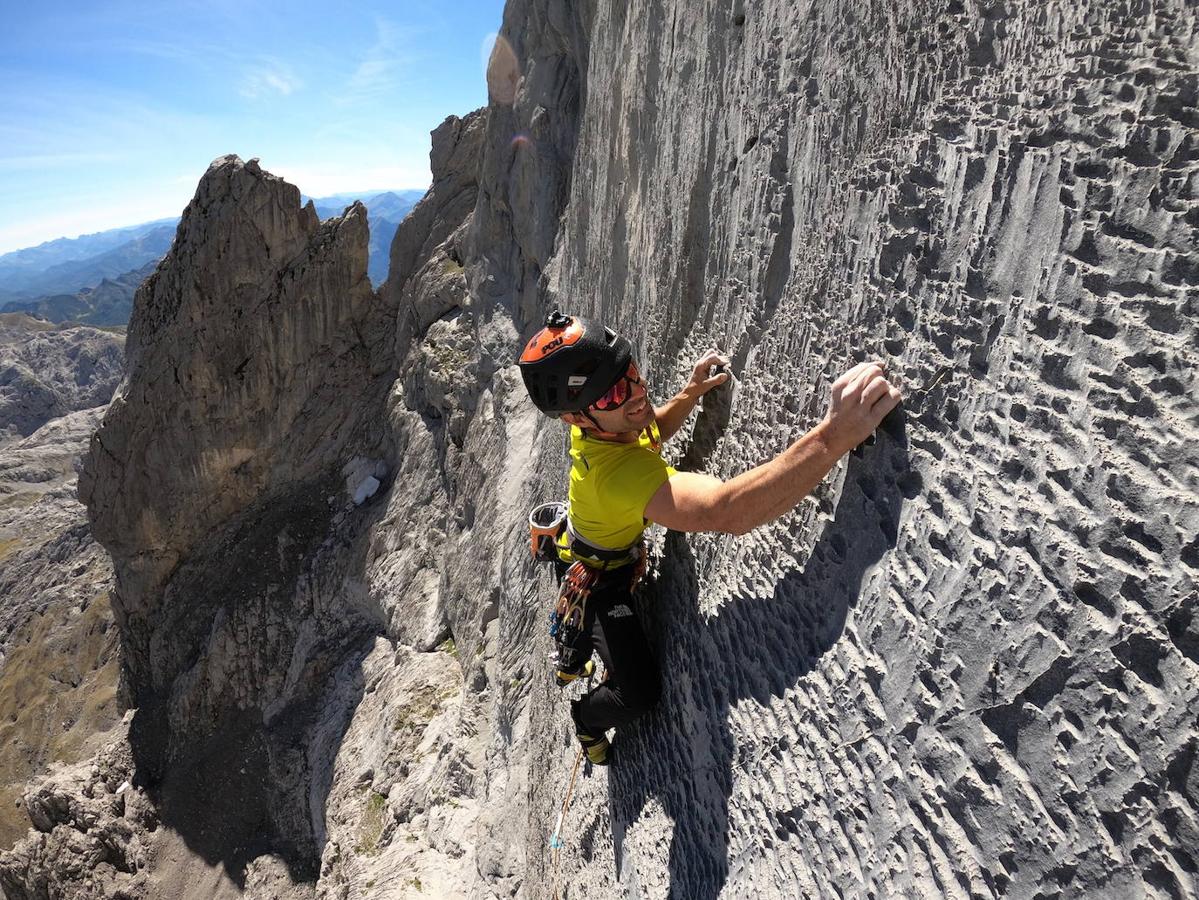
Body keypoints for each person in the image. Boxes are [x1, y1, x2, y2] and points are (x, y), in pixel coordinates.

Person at [518, 309, 901, 765]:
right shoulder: (616, 476)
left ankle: (582, 661)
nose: (636, 394)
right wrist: (837, 434)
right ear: (576, 419)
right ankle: (586, 719)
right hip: (601, 581)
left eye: (631, 373)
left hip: (599, 541)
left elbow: (649, 430)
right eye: (616, 393)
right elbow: (728, 511)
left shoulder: (609, 429)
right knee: (638, 693)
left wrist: (691, 392)